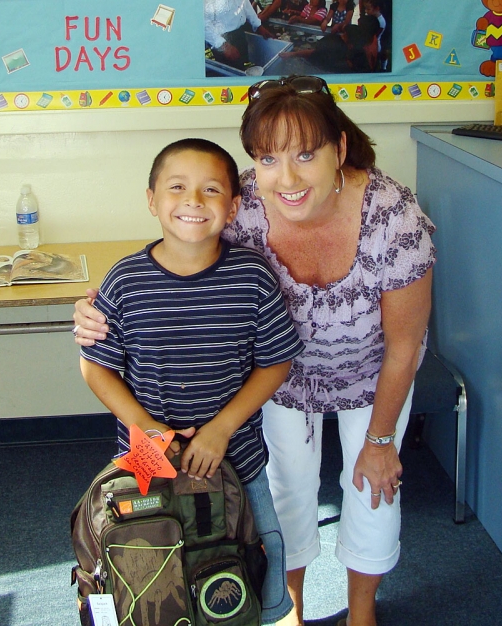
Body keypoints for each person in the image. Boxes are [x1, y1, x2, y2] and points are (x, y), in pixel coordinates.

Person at [73, 76, 436, 626]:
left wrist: (381, 440)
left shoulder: (394, 217)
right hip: (279, 379)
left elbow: (404, 347)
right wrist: (95, 305)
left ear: (340, 150)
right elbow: (174, 251)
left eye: (306, 155)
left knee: (371, 486)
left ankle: (363, 610)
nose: (285, 177)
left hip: (370, 371)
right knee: (282, 494)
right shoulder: (239, 201)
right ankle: (286, 609)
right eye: (268, 158)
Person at [78, 138, 304, 625]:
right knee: (150, 573)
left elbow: (275, 363)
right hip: (146, 455)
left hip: (236, 456)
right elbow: (96, 366)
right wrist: (144, 426)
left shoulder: (253, 278)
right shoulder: (126, 281)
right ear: (151, 200)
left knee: (252, 565)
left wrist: (222, 428)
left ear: (234, 205)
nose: (193, 201)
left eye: (211, 189)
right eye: (177, 187)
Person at [205, 0, 274, 71]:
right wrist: (224, 46)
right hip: (222, 40)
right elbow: (204, 24)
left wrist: (259, 26)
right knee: (229, 72)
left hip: (239, 34)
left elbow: (245, 5)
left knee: (241, 67)